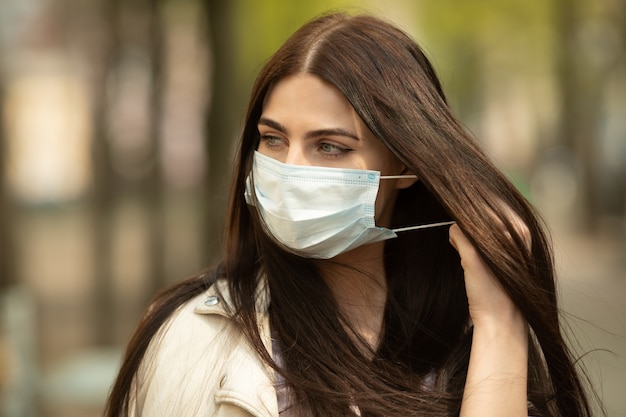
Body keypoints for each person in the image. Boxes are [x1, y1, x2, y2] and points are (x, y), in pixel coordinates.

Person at [105, 11, 596, 417]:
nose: (290, 170)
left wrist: (501, 324)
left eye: (329, 147)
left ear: (404, 164)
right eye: (273, 139)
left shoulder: (464, 344)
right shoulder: (188, 341)